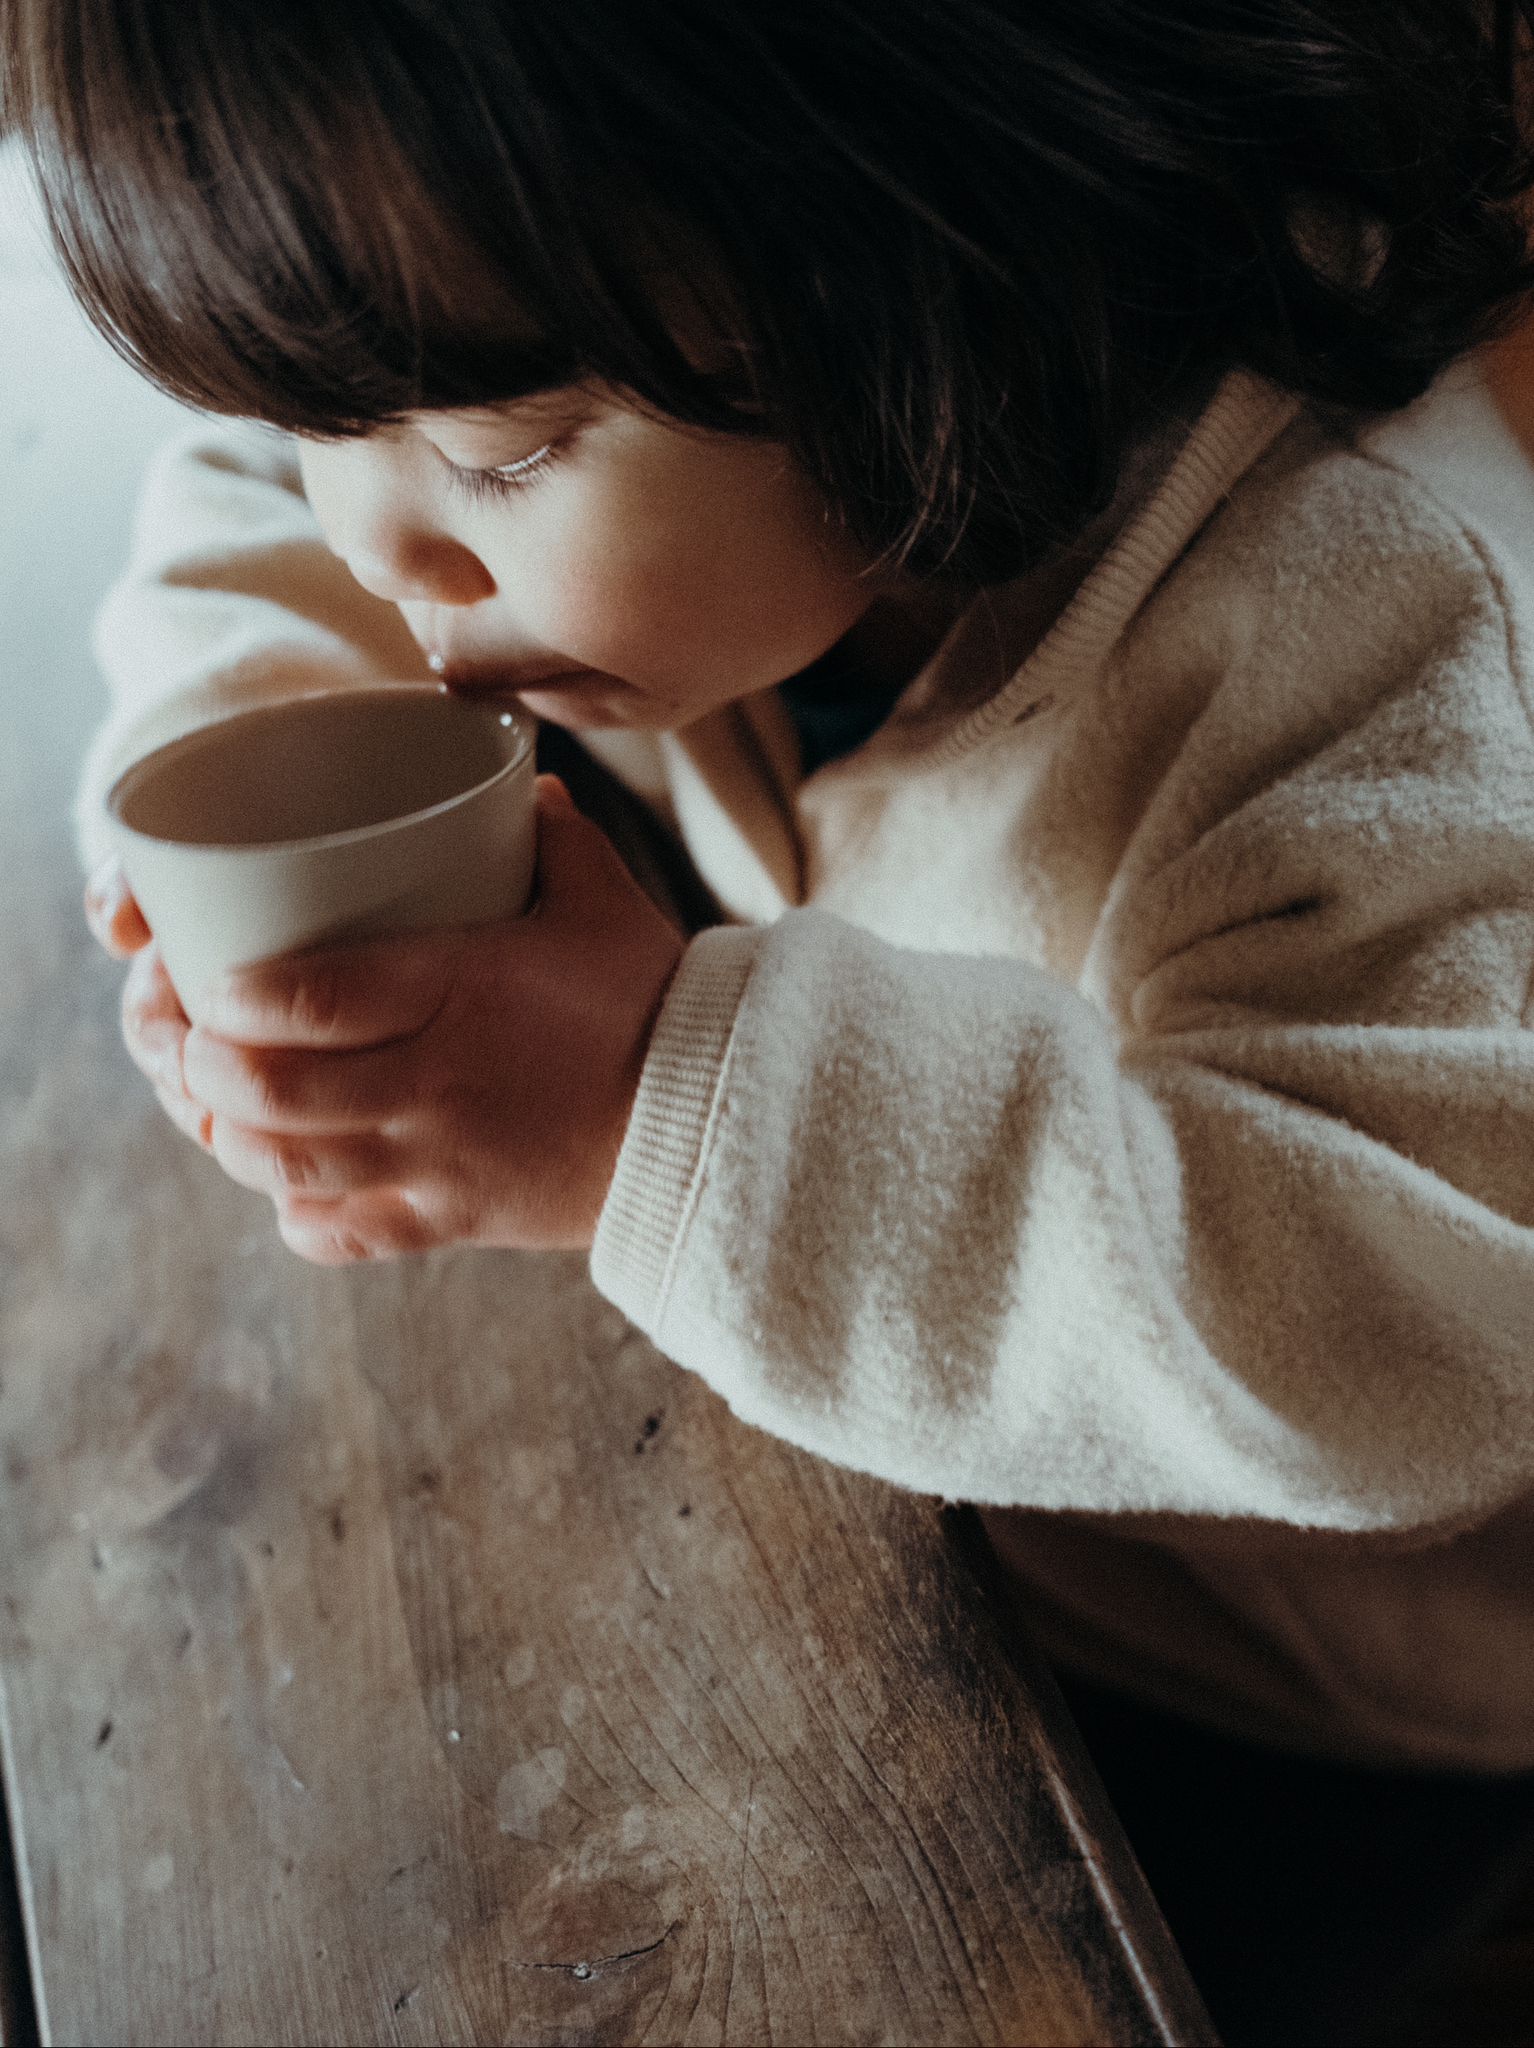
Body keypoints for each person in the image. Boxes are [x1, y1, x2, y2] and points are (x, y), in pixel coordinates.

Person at [8, 1, 1534, 2036]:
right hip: (894, 1480)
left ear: (921, 245)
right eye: (329, 422)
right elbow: (261, 489)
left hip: (1284, 1687)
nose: (383, 540)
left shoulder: (1357, 605)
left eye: (499, 451)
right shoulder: (641, 374)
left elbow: (1405, 1326)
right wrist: (257, 730)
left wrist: (658, 1107)